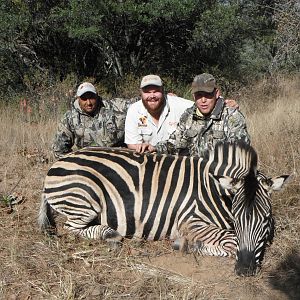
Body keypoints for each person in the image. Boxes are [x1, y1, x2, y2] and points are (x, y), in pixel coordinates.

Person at [125, 74, 239, 153]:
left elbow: (204, 104)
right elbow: (174, 143)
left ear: (163, 91)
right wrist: (152, 148)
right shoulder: (134, 110)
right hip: (151, 159)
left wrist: (223, 103)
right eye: (147, 92)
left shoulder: (181, 105)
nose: (152, 96)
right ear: (141, 93)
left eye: (156, 91)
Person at [154, 73, 250, 156]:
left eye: (207, 95)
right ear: (193, 96)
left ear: (216, 93)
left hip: (221, 173)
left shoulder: (232, 116)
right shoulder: (188, 115)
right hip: (193, 173)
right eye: (199, 95)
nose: (203, 100)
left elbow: (241, 152)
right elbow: (174, 144)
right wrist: (153, 148)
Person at [52, 82, 135, 158]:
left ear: (97, 95)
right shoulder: (70, 118)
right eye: (84, 98)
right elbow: (59, 149)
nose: (88, 103)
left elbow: (140, 104)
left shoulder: (115, 107)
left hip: (118, 160)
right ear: (78, 99)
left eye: (91, 97)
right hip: (90, 165)